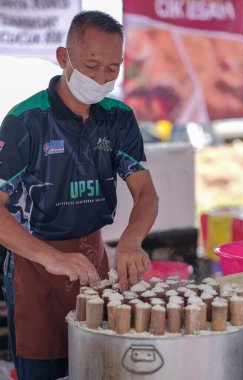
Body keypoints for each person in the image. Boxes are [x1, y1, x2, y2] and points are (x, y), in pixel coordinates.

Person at [0, 10, 158, 380]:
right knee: (45, 365)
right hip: (32, 261)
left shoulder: (118, 118)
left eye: (112, 69)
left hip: (93, 256)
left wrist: (132, 241)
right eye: (91, 66)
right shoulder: (26, 122)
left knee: (97, 363)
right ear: (63, 58)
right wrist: (49, 256)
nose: (102, 78)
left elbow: (146, 193)